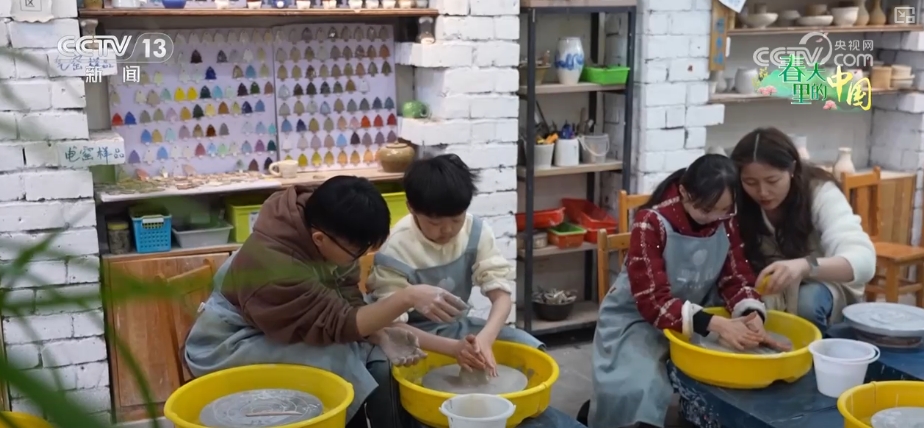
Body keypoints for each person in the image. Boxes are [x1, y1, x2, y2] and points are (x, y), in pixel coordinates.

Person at [183, 177, 473, 428]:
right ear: (320, 239)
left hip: (272, 323)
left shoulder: (325, 221)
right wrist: (407, 296)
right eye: (357, 252)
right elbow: (340, 323)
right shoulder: (276, 266)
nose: (359, 259)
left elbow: (348, 307)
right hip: (228, 341)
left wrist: (382, 335)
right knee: (339, 359)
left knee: (373, 355)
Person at [587, 154, 788, 428]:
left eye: (723, 210)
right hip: (637, 319)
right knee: (639, 385)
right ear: (683, 192)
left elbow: (736, 277)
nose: (714, 218)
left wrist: (751, 316)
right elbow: (653, 301)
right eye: (706, 210)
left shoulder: (725, 220)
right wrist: (716, 324)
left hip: (697, 316)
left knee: (740, 372)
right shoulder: (651, 223)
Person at [368, 154, 543, 375]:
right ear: (411, 208)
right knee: (382, 371)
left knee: (530, 348)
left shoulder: (476, 232)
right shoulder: (396, 248)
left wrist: (485, 340)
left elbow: (502, 296)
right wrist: (453, 349)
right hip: (410, 335)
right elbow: (391, 324)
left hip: (456, 328)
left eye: (456, 219)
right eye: (435, 222)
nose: (448, 230)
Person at [730, 127, 876, 332]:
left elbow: (864, 262)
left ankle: (819, 349)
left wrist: (806, 266)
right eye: (750, 182)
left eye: (772, 181)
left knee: (807, 302)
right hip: (772, 290)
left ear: (792, 169)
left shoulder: (819, 192)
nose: (762, 192)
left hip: (825, 284)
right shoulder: (739, 199)